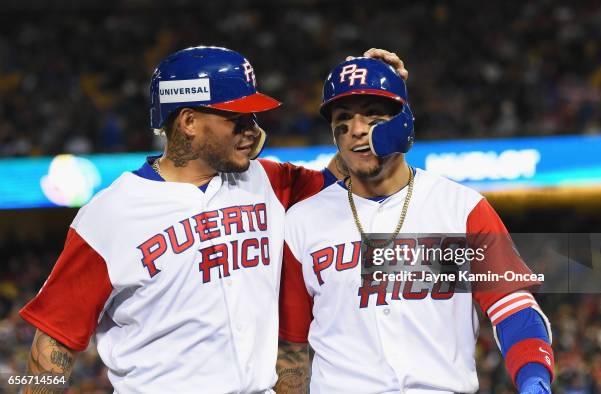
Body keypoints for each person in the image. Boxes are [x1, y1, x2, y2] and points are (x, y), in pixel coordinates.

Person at [19, 47, 407, 393]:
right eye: (237, 118)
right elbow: (51, 345)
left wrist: (377, 97)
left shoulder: (267, 181)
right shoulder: (108, 216)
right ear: (188, 121)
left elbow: (347, 173)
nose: (253, 130)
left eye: (253, 116)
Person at [277, 58, 555, 394]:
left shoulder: (462, 208)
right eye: (343, 119)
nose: (357, 129)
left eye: (372, 115)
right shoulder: (301, 222)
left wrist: (533, 379)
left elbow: (513, 309)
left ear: (403, 120)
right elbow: (289, 348)